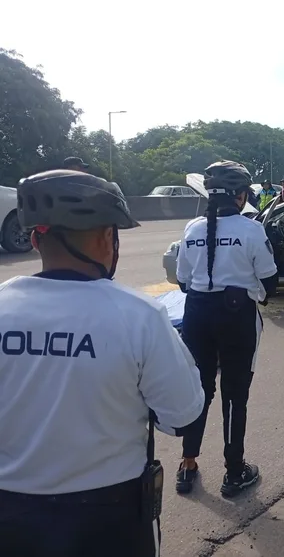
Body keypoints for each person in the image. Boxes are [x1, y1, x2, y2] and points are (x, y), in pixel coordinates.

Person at [0, 170, 205, 557]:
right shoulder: (140, 315)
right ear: (106, 238)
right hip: (108, 520)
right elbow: (182, 417)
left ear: (34, 239)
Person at [175, 160, 278, 498]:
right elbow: (269, 281)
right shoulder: (251, 229)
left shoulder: (192, 229)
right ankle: (234, 472)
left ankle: (187, 463)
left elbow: (182, 280)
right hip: (235, 315)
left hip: (197, 313)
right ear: (240, 196)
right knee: (234, 395)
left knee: (198, 389)